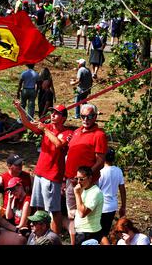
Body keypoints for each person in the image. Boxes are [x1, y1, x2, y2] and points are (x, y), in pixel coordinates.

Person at [14, 101, 72, 234]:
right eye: (52, 112)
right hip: (40, 173)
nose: (53, 115)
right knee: (39, 207)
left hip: (52, 176)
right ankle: (40, 233)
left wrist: (45, 129)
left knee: (54, 210)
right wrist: (20, 109)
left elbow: (58, 144)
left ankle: (54, 237)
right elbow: (27, 124)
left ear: (63, 118)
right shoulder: (48, 127)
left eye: (57, 113)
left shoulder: (68, 132)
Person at [65, 103, 107, 245]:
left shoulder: (99, 134)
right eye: (82, 116)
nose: (85, 119)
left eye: (89, 116)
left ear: (95, 117)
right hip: (70, 181)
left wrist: (84, 179)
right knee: (72, 215)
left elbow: (100, 161)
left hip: (87, 184)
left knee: (86, 217)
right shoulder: (76, 132)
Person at [98, 147, 126, 237]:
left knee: (98, 234)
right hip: (112, 206)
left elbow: (97, 190)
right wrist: (123, 206)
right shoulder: (118, 171)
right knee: (105, 232)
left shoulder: (101, 172)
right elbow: (122, 190)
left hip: (101, 207)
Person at [73, 166, 104, 245]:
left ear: (90, 178)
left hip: (89, 233)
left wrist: (77, 194)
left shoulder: (95, 192)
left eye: (82, 179)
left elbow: (82, 213)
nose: (79, 182)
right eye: (77, 179)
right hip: (80, 232)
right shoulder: (83, 189)